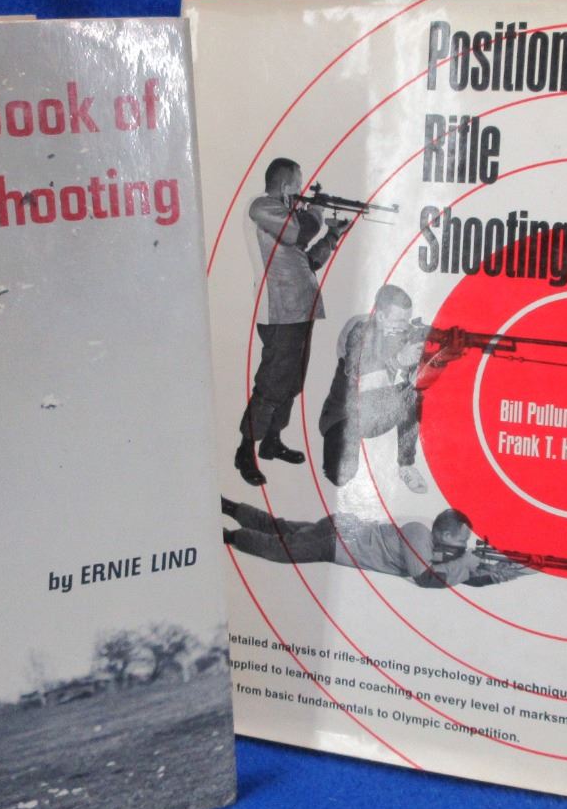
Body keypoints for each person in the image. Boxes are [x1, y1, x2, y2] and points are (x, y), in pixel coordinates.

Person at [237, 157, 350, 486]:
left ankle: (272, 441)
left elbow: (308, 262)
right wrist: (316, 210)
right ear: (286, 185)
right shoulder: (262, 207)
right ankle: (246, 449)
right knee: (272, 383)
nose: (301, 190)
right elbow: (297, 232)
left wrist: (332, 236)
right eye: (298, 184)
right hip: (278, 311)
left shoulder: (286, 218)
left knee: (292, 382)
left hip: (301, 310)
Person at [221, 497, 532, 589]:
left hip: (341, 530)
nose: (464, 545)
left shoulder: (431, 539)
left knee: (280, 529)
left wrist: (499, 574)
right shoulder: (418, 534)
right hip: (338, 542)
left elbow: (461, 577)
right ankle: (226, 535)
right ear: (446, 535)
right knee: (280, 550)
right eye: (461, 540)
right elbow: (426, 579)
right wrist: (465, 562)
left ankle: (228, 507)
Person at [319, 284, 450, 492]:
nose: (405, 326)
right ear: (380, 316)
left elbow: (419, 382)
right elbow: (359, 382)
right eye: (399, 320)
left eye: (407, 319)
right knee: (340, 477)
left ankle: (406, 465)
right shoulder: (359, 333)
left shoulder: (406, 335)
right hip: (346, 416)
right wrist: (398, 361)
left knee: (412, 394)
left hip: (381, 411)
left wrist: (439, 360)